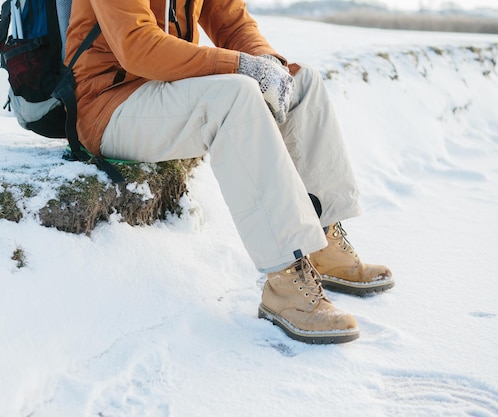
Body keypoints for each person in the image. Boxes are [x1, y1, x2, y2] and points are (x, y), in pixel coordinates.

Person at [66, 0, 394, 344]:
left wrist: (265, 61)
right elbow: (138, 46)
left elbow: (232, 22)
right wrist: (241, 66)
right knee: (237, 97)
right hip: (109, 104)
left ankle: (322, 243)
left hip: (166, 87)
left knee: (300, 81)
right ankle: (285, 282)